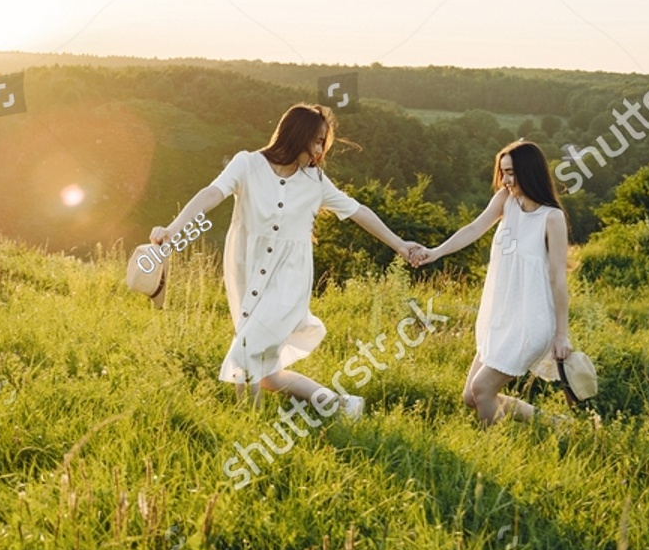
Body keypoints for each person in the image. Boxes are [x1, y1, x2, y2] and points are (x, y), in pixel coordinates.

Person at [152, 103, 422, 416]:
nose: (321, 149)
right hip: (248, 272)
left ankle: (247, 422)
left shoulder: (316, 181)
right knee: (265, 373)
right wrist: (173, 228)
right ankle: (340, 406)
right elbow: (212, 193)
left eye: (324, 142)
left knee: (247, 350)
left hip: (289, 279)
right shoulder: (247, 164)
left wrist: (400, 245)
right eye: (318, 140)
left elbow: (358, 211)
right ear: (298, 136)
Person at [409, 140, 572, 427]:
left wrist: (562, 335)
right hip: (501, 316)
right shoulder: (505, 201)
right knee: (471, 397)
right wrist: (435, 252)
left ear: (529, 171)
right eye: (503, 172)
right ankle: (556, 424)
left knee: (482, 389)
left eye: (511, 173)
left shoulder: (552, 217)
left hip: (530, 320)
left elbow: (559, 279)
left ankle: (492, 452)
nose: (506, 180)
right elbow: (473, 228)